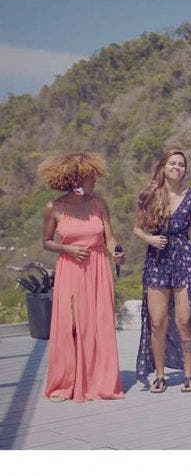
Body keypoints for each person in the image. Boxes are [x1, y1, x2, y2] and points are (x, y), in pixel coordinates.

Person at [133, 150, 191, 394]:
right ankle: (160, 376)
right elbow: (137, 228)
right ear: (163, 167)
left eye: (181, 164)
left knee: (185, 320)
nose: (177, 167)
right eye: (172, 163)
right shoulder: (149, 195)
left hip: (183, 258)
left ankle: (188, 374)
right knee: (157, 320)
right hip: (157, 259)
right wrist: (150, 239)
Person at [38, 152, 126, 402]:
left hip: (98, 268)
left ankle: (101, 381)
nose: (95, 181)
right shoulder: (53, 208)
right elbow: (46, 242)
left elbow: (110, 239)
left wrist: (116, 253)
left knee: (100, 323)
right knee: (71, 324)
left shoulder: (99, 204)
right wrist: (66, 248)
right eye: (91, 177)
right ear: (75, 178)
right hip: (70, 269)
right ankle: (65, 382)